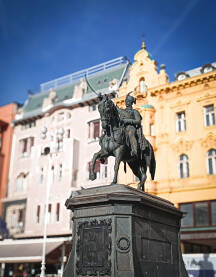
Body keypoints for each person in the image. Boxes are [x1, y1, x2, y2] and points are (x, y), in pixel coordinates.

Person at [118, 92, 148, 158]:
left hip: (131, 127)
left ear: (131, 103)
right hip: (123, 128)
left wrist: (127, 121)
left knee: (130, 133)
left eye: (128, 101)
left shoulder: (135, 111)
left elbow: (138, 121)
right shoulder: (123, 111)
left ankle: (134, 150)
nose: (127, 102)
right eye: (126, 101)